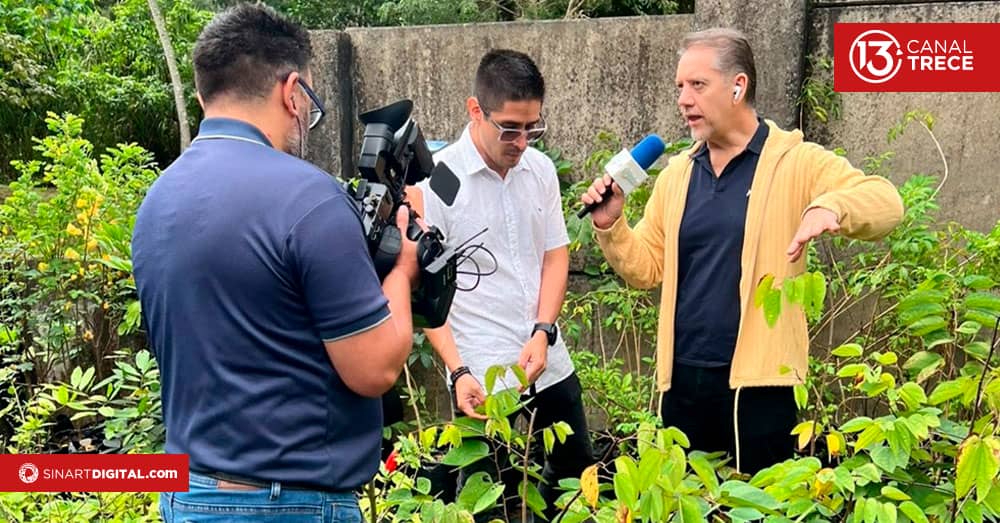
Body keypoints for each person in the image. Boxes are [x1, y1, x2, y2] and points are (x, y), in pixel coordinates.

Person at [131, 4, 419, 521]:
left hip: (186, 494)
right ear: (292, 92)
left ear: (202, 95)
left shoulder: (157, 200)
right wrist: (402, 271)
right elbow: (375, 368)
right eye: (308, 101)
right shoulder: (309, 198)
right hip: (288, 503)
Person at [579, 28, 904, 474]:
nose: (684, 99)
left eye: (698, 85)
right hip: (683, 381)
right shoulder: (677, 175)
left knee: (763, 504)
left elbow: (886, 202)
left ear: (738, 86)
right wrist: (611, 224)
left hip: (760, 385)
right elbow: (647, 268)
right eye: (679, 87)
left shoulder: (797, 162)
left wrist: (832, 205)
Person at [408, 49, 594, 520]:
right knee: (494, 507)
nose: (522, 140)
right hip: (483, 382)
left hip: (549, 363)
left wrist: (543, 330)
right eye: (510, 127)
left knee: (577, 494)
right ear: (475, 110)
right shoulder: (439, 182)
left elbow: (555, 255)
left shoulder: (540, 170)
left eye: (533, 127)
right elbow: (426, 292)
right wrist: (456, 370)